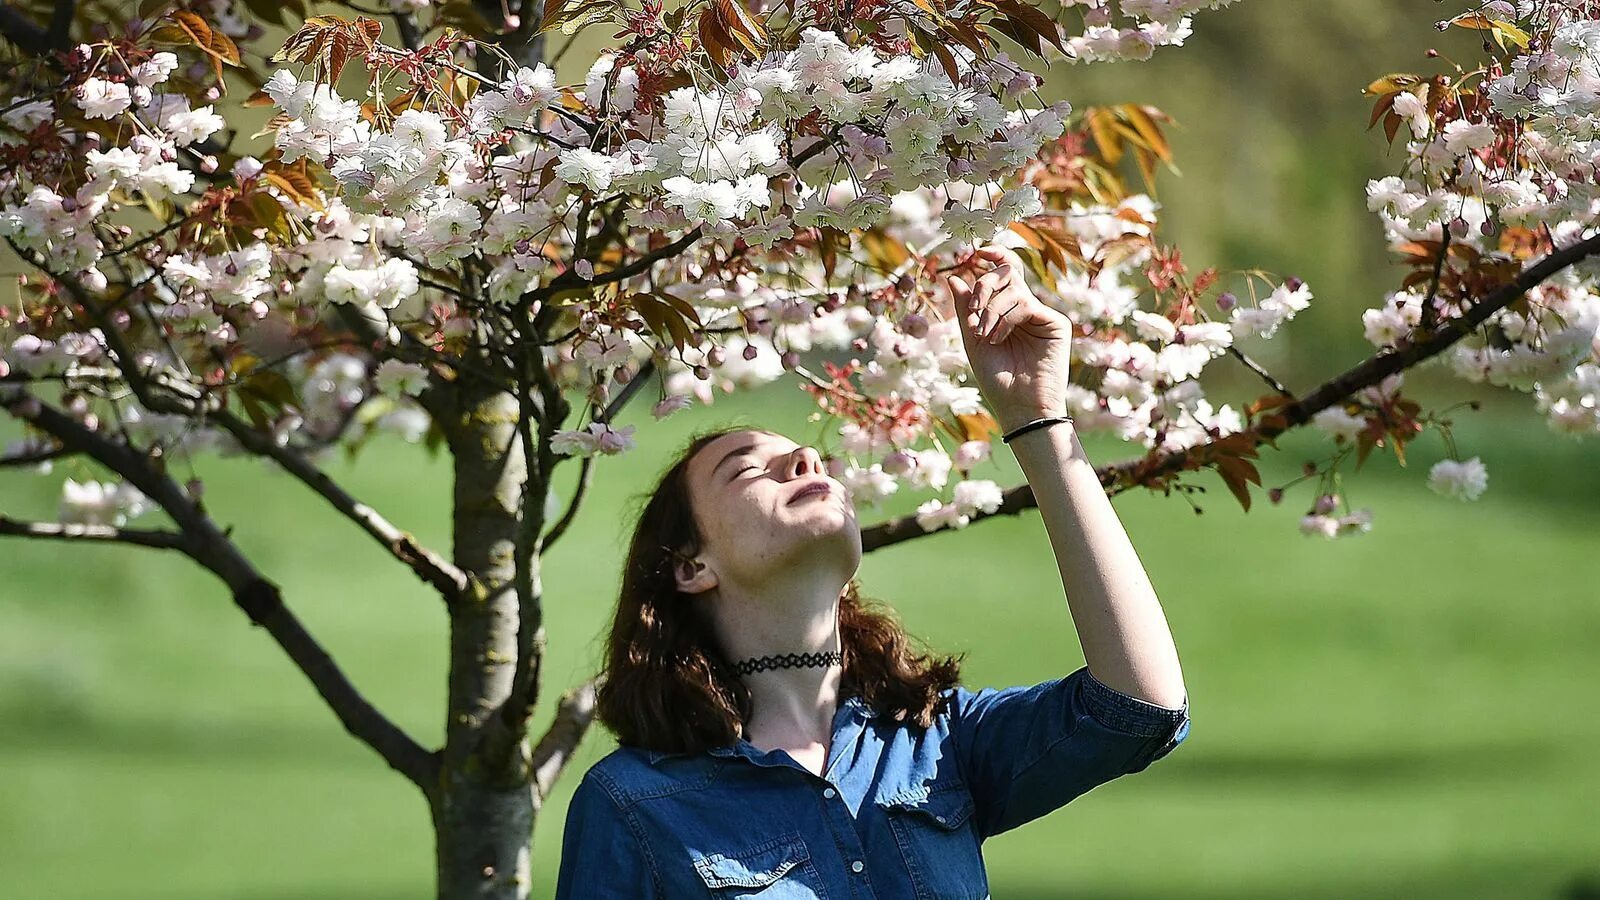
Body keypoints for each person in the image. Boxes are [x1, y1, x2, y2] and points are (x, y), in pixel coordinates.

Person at [553, 242, 1191, 899]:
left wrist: (1037, 420)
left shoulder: (935, 740)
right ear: (690, 567)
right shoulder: (632, 804)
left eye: (805, 455)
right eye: (747, 469)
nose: (805, 458)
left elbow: (1138, 709)